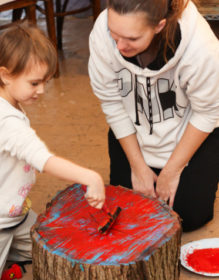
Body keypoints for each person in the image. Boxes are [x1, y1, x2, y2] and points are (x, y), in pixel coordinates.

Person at [0, 22, 105, 280]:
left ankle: (5, 254)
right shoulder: (3, 119)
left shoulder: (8, 105)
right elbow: (43, 159)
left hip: (18, 218)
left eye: (45, 82)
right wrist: (90, 177)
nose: (41, 91)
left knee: (57, 247)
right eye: (34, 83)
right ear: (5, 75)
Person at [88, 0, 219, 232]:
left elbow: (208, 112)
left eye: (132, 39)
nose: (119, 46)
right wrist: (137, 166)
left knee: (186, 218)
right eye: (114, 34)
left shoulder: (202, 48)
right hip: (134, 130)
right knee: (128, 214)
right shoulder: (103, 30)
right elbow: (111, 101)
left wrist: (172, 171)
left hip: (188, 134)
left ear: (159, 26)